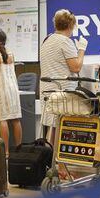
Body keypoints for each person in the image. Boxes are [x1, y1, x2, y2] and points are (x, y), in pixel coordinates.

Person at [40, 9, 88, 141]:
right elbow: (76, 67)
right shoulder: (65, 41)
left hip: (47, 91)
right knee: (62, 126)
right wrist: (82, 49)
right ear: (71, 25)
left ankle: (50, 158)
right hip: (62, 92)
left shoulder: (46, 40)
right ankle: (59, 159)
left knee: (53, 127)